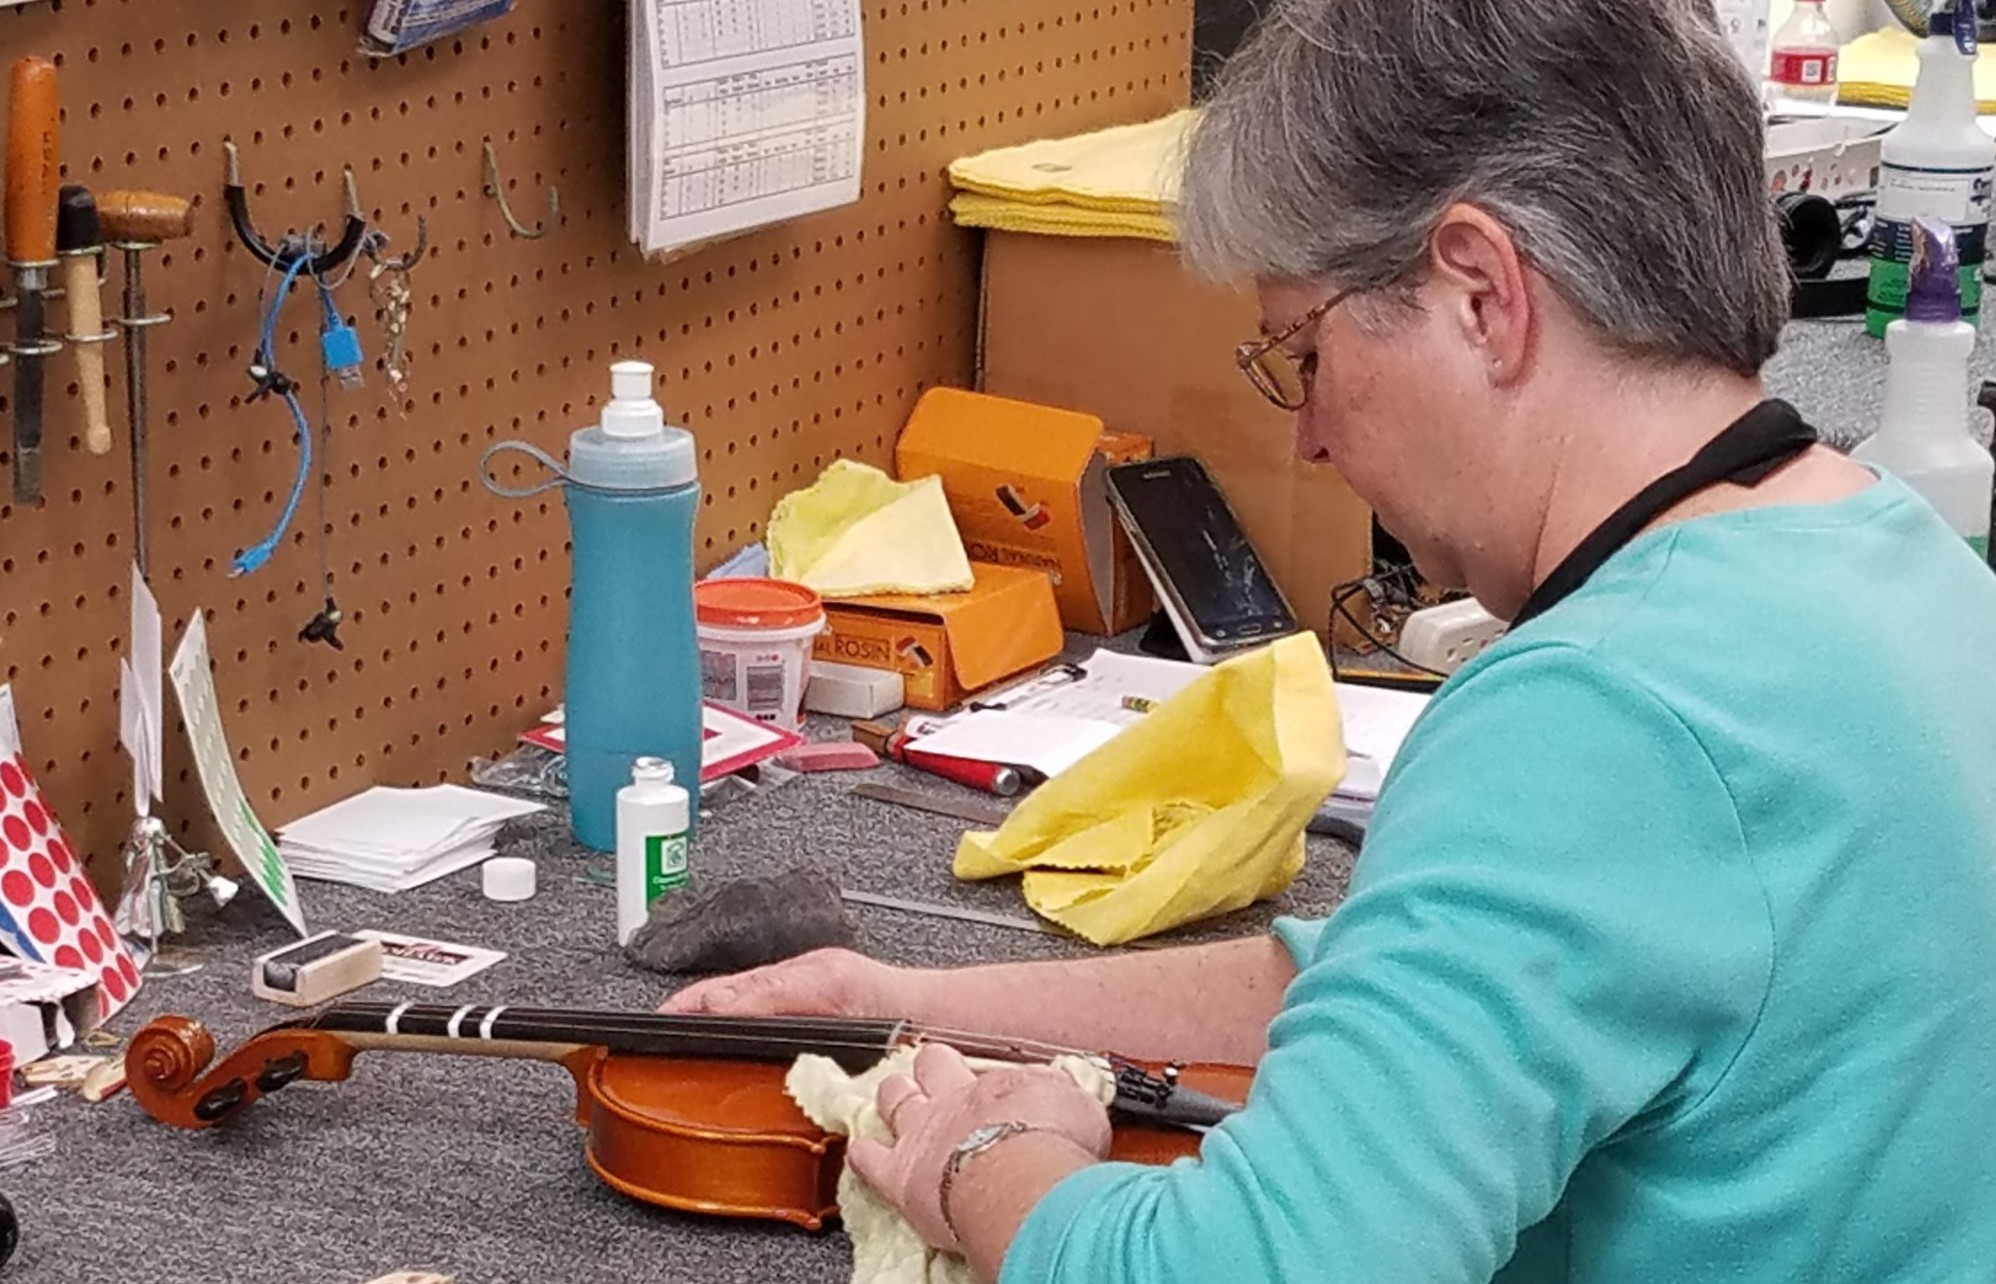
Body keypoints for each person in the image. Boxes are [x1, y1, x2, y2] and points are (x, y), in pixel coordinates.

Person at [663, 1, 1996, 1279]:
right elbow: (1406, 992)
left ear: (1480, 290)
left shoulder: (1602, 718)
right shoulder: (1901, 559)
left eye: (1302, 353)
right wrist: (902, 1001)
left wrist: (984, 1157)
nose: (1308, 436)